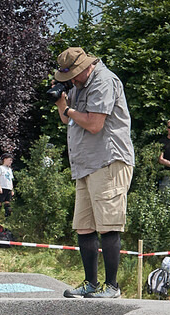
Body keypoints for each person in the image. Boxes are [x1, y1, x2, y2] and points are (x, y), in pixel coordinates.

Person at [54, 47, 135, 299]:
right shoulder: (80, 85)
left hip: (108, 162)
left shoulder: (104, 81)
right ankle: (90, 283)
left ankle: (112, 287)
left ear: (85, 67)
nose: (71, 82)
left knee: (108, 225)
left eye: (73, 76)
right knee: (84, 226)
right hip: (85, 165)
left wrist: (68, 110)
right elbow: (67, 120)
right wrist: (61, 102)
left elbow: (93, 124)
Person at [0, 153, 15, 218]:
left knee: (7, 203)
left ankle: (7, 218)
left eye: (11, 160)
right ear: (5, 159)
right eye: (9, 160)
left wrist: (12, 189)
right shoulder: (0, 168)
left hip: (8, 188)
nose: (11, 162)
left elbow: (10, 180)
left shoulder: (10, 170)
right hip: (2, 188)